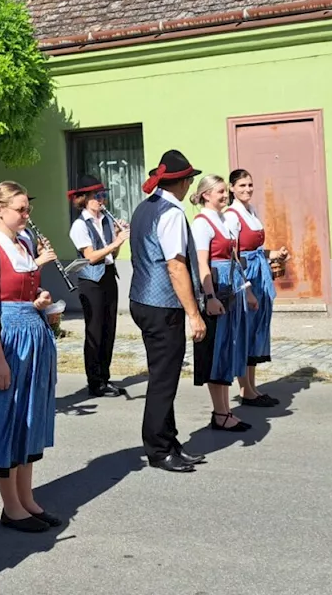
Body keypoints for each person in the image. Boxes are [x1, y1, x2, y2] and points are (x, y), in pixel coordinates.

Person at [0, 181, 60, 533]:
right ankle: (11, 507)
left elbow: (24, 289)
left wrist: (37, 300)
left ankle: (27, 498)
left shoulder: (22, 244)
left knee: (29, 418)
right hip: (6, 340)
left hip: (32, 334)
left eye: (27, 209)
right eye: (20, 209)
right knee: (8, 419)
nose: (26, 215)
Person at [129, 150, 208, 474]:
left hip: (143, 300)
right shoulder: (172, 213)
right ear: (185, 182)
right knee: (163, 380)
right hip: (163, 305)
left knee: (164, 376)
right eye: (189, 179)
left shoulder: (144, 208)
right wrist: (194, 313)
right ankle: (159, 449)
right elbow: (176, 266)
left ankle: (169, 439)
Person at [189, 175, 257, 433]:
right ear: (206, 194)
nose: (224, 195)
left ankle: (225, 411)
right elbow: (202, 264)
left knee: (229, 350)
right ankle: (220, 412)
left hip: (231, 289)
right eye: (219, 191)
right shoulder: (202, 224)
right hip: (217, 289)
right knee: (217, 352)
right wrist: (210, 297)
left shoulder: (225, 220)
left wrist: (247, 291)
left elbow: (234, 259)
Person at [224, 169, 287, 406]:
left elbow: (258, 250)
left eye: (250, 185)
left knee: (256, 330)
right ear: (232, 188)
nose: (247, 189)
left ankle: (252, 387)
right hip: (245, 275)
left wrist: (275, 254)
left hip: (258, 273)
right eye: (241, 186)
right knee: (244, 330)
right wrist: (245, 286)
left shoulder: (251, 211)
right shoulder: (232, 216)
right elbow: (233, 254)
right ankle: (245, 390)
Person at [67, 175, 129, 398]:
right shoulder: (79, 225)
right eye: (97, 196)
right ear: (84, 199)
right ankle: (94, 382)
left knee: (109, 328)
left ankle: (105, 377)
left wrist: (119, 238)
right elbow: (91, 256)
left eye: (103, 195)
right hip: (91, 281)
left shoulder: (104, 220)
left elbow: (112, 254)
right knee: (94, 330)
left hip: (108, 275)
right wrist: (116, 241)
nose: (102, 200)